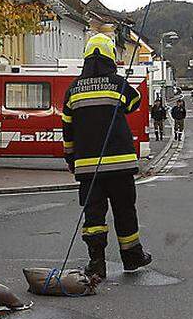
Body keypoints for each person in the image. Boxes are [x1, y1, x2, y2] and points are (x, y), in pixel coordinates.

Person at [63, 33, 153, 282]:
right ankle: (132, 257)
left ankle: (97, 264)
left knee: (94, 216)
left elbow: (67, 129)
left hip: (87, 167)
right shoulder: (116, 84)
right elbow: (134, 102)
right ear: (110, 56)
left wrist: (70, 159)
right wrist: (119, 83)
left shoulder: (73, 90)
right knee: (125, 210)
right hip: (121, 164)